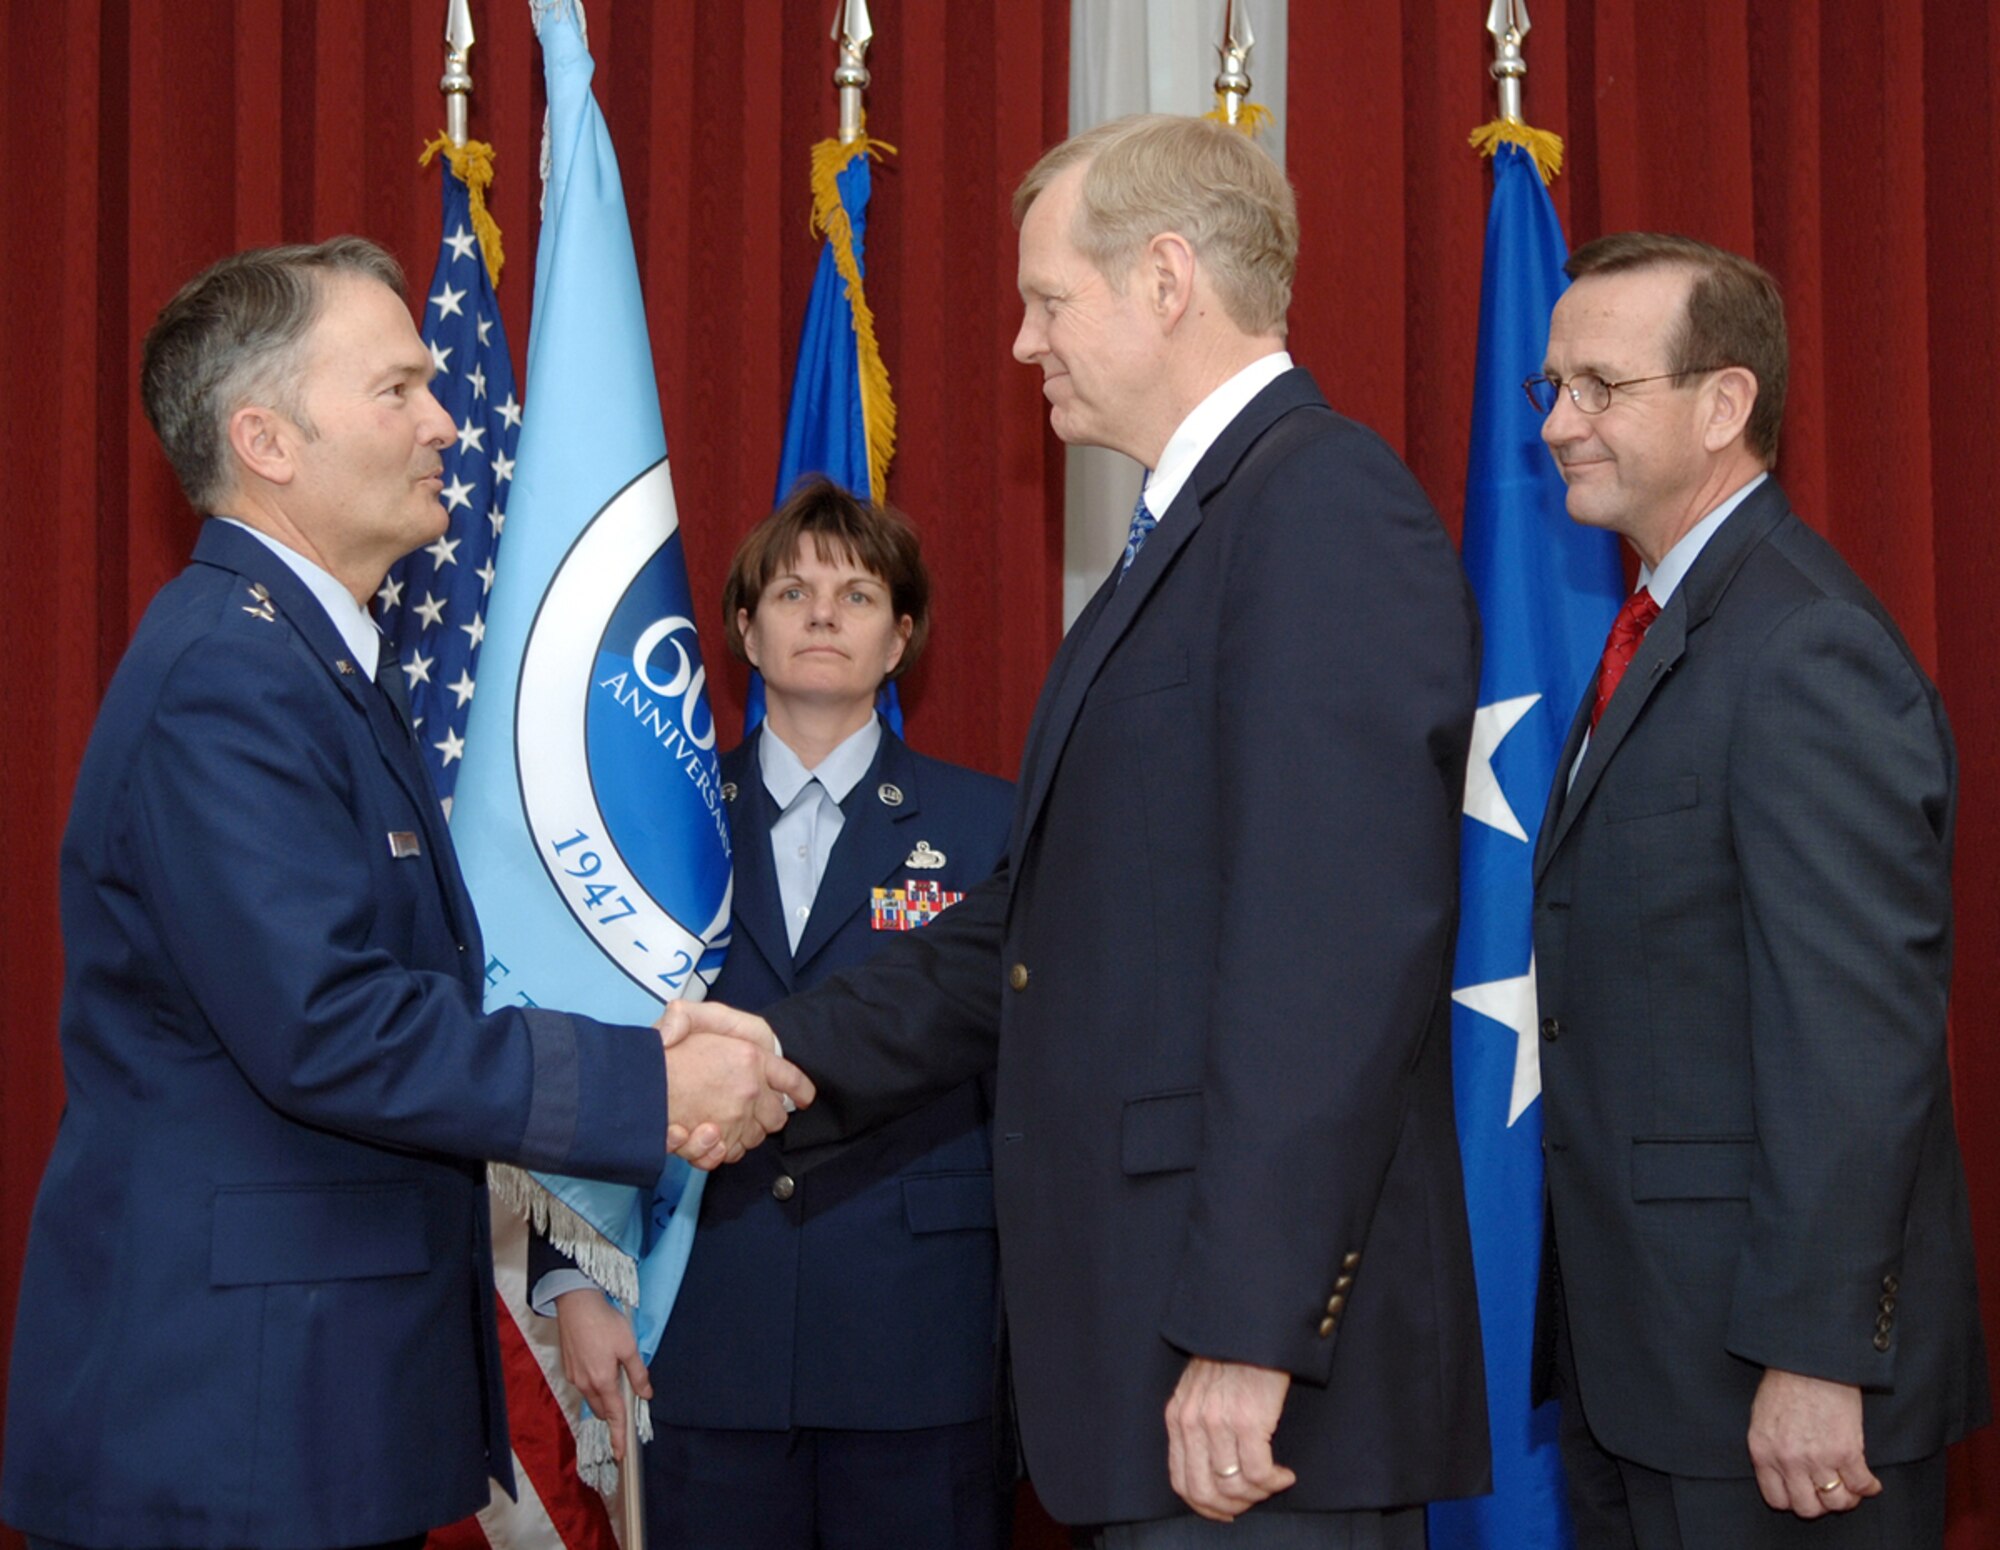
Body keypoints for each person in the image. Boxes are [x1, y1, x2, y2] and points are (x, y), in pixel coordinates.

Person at [671, 114, 1489, 1546]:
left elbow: (1335, 956)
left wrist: (1251, 1327)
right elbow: (1041, 929)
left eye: (1048, 298)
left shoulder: (1318, 509)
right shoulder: (1193, 535)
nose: (1022, 342)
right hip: (1156, 1366)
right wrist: (785, 1044)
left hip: (1244, 1387)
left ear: (1166, 277)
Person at [0, 238, 810, 1550]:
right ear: (266, 438)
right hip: (238, 1421)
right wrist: (649, 1089)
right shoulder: (233, 679)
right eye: (398, 390)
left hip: (302, 1402)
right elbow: (328, 1023)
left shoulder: (306, 663)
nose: (447, 420)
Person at [1525, 231, 1988, 1548]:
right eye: (1551, 388)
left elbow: (1857, 1035)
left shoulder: (1804, 646)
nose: (1560, 423)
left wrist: (1817, 1353)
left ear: (1724, 405)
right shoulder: (1676, 629)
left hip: (1773, 1392)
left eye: (1601, 387)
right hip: (1651, 1371)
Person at [534, 477, 1015, 1549]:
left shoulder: (993, 826)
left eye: (855, 594)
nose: (822, 614)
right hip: (701, 1327)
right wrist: (571, 1279)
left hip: (917, 1335)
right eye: (792, 591)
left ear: (901, 637)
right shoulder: (658, 829)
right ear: (744, 629)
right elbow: (583, 1041)